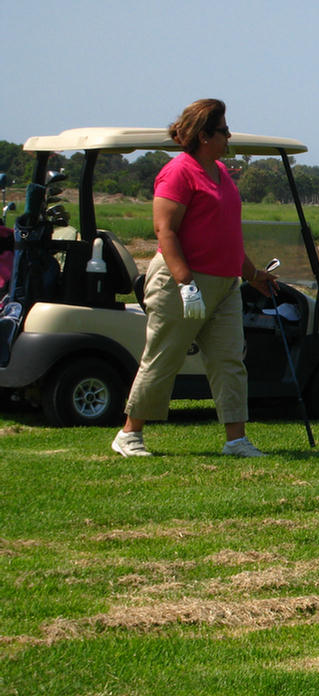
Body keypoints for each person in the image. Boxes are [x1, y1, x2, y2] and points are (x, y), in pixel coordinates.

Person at [112, 99, 276, 458]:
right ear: (204, 135)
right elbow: (165, 230)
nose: (229, 135)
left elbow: (225, 235)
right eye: (223, 130)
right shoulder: (178, 172)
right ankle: (129, 434)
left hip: (225, 284)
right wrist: (186, 283)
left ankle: (236, 440)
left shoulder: (221, 173)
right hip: (179, 282)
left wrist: (252, 275)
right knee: (163, 357)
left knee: (229, 360)